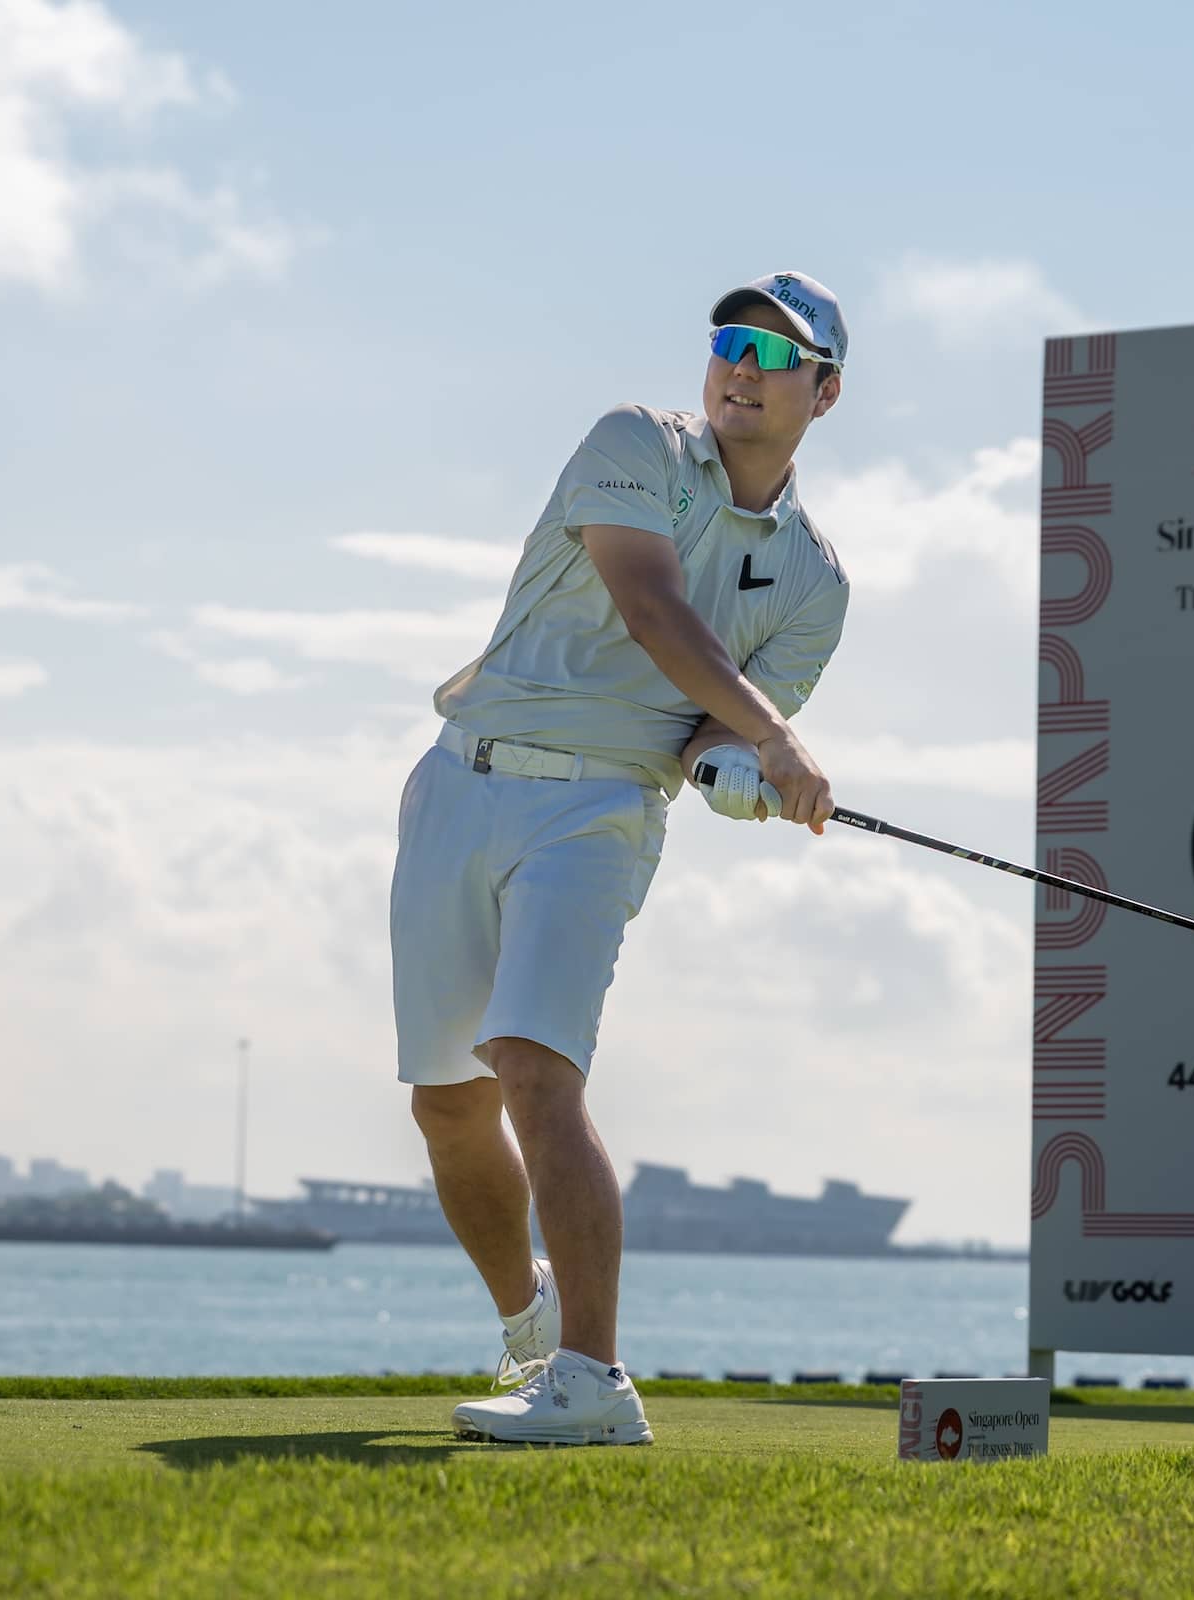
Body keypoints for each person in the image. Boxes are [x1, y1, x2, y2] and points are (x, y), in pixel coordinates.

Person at [389, 272, 852, 1446]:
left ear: (825, 393)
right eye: (731, 341)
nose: (742, 367)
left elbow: (710, 731)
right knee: (448, 1104)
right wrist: (770, 739)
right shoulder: (636, 442)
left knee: (535, 1067)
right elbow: (649, 606)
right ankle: (530, 1319)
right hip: (460, 778)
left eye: (776, 354)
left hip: (598, 809)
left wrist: (733, 762)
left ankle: (595, 1381)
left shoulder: (815, 582)